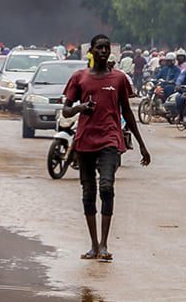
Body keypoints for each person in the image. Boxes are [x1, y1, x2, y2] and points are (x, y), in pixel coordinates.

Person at [61, 34, 150, 263]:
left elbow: (127, 112)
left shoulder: (119, 79)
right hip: (85, 141)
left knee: (107, 187)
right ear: (91, 51)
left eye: (106, 48)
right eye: (99, 47)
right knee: (88, 192)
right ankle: (93, 245)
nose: (103, 51)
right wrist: (81, 107)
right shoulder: (79, 78)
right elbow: (66, 111)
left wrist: (141, 144)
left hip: (110, 140)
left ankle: (104, 244)